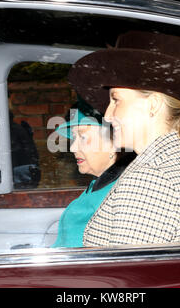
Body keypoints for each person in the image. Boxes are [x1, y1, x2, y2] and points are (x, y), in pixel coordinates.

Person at [67, 31, 180, 246]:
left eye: (116, 100)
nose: (107, 115)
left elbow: (126, 276)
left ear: (153, 105)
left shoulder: (149, 178)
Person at [51, 99, 135, 248]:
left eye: (82, 137)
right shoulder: (99, 185)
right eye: (74, 137)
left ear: (114, 142)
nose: (73, 147)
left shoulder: (122, 194)